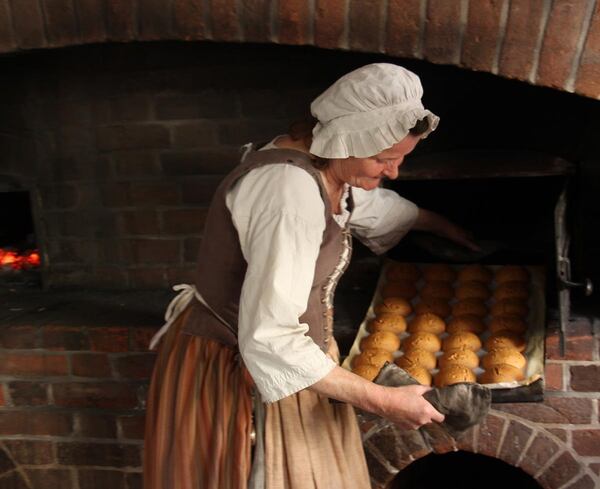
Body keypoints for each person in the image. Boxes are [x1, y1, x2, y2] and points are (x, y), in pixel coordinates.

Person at [143, 63, 479, 489]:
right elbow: (271, 337)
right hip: (246, 365)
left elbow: (367, 207)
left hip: (294, 356)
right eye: (383, 159)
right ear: (348, 140)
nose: (392, 171)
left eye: (399, 159)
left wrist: (441, 225)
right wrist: (382, 401)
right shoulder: (288, 191)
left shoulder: (323, 160)